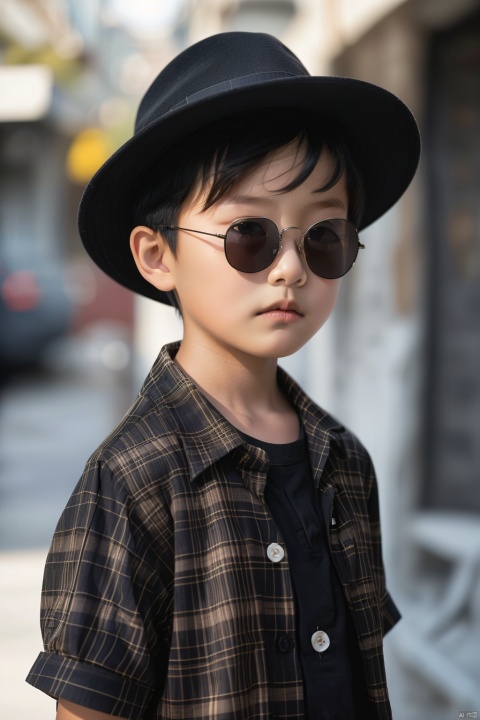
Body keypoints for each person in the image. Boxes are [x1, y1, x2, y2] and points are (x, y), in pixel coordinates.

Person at [26, 31, 420, 720]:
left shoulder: (346, 463)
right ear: (158, 256)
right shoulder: (131, 481)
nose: (290, 268)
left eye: (323, 237)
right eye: (250, 235)